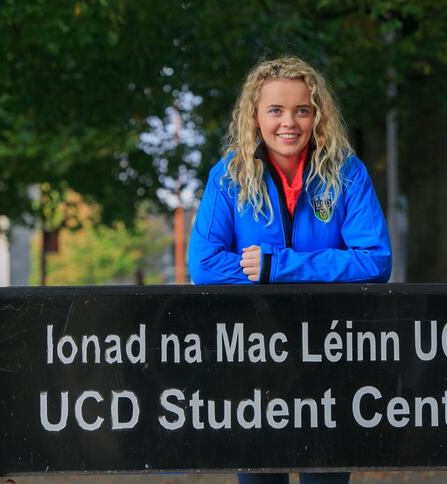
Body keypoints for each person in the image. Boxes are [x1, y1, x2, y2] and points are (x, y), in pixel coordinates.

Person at [187, 56, 392, 483]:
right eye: (275, 110)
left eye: (302, 109)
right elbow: (203, 264)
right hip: (254, 359)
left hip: (330, 356)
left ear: (317, 114)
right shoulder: (228, 177)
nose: (289, 123)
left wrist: (278, 266)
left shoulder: (347, 174)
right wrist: (273, 269)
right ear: (255, 116)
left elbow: (374, 260)